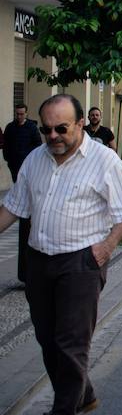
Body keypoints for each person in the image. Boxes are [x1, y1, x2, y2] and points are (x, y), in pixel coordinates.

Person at [0, 94, 122, 415]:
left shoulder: (104, 160)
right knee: (46, 337)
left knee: (71, 340)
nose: (53, 136)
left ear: (80, 123)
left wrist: (107, 247)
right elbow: (13, 207)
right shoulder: (35, 160)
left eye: (61, 129)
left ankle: (64, 411)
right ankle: (85, 393)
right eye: (46, 129)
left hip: (81, 263)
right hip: (39, 260)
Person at [3, 102, 43, 283]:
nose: (19, 116)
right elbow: (6, 147)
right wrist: (11, 163)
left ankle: (30, 273)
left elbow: (37, 146)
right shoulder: (11, 128)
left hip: (28, 170)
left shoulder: (32, 128)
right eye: (17, 114)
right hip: (16, 168)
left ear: (26, 113)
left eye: (22, 114)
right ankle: (26, 273)